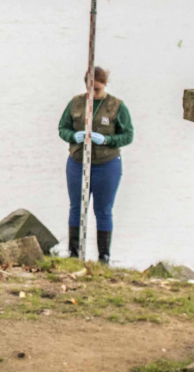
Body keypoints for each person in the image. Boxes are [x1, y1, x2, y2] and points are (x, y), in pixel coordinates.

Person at [58, 67, 134, 263]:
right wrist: (73, 136)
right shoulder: (76, 103)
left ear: (105, 85)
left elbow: (128, 135)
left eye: (98, 90)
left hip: (106, 164)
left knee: (104, 210)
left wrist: (108, 140)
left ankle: (104, 257)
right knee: (76, 207)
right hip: (77, 162)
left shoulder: (117, 106)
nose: (93, 94)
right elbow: (62, 128)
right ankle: (73, 253)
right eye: (90, 89)